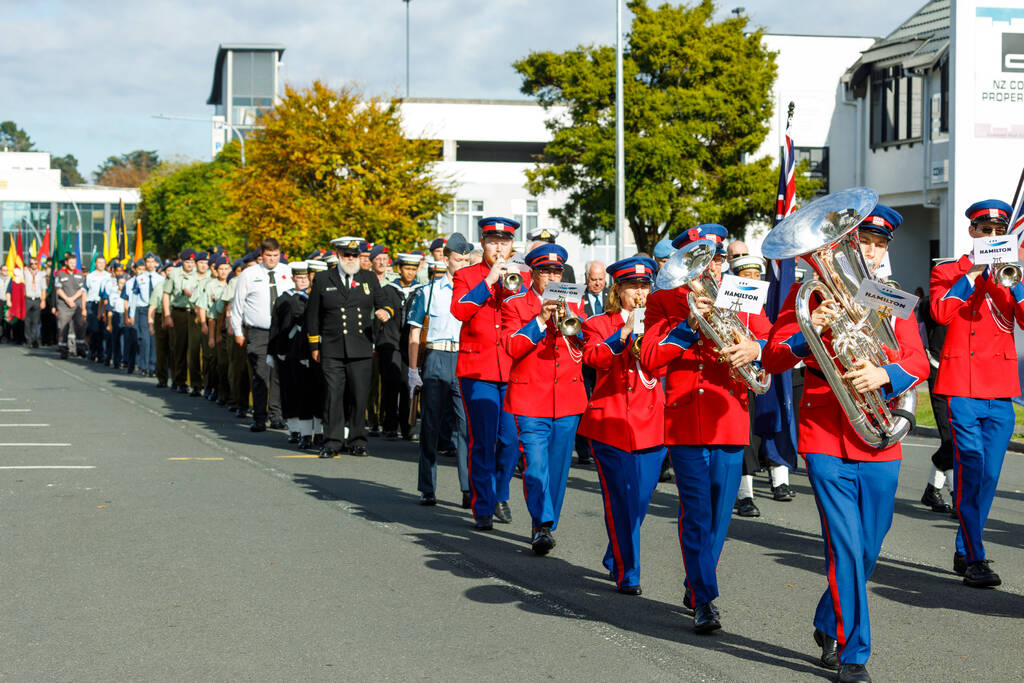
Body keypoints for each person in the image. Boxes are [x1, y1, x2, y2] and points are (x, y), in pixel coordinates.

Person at [763, 204, 927, 682]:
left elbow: (917, 360)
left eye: (879, 246)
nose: (872, 252)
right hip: (825, 435)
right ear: (845, 246)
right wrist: (810, 329)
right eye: (864, 243)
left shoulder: (891, 298)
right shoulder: (806, 294)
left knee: (870, 545)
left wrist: (886, 373)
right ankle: (854, 652)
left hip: (878, 435)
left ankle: (826, 618)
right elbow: (773, 357)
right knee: (846, 547)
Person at [639, 223, 770, 635]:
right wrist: (691, 323)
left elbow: (769, 339)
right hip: (685, 419)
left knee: (718, 515)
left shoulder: (741, 291)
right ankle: (705, 598)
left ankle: (697, 582)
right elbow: (650, 358)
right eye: (698, 258)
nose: (709, 266)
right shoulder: (663, 299)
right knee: (695, 514)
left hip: (729, 417)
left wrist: (756, 347)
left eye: (715, 258)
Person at [930, 198, 1022, 589]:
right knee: (970, 471)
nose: (992, 236)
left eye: (999, 231)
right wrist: (974, 271)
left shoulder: (1011, 275)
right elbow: (941, 312)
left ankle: (966, 546)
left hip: (1000, 388)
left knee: (989, 476)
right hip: (963, 386)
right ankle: (975, 557)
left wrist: (1014, 281)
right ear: (972, 233)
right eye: (985, 231)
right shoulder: (950, 271)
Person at [579, 256, 665, 594]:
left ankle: (617, 551)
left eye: (645, 286)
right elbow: (593, 358)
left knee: (641, 500)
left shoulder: (661, 325)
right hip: (610, 424)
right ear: (619, 290)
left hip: (651, 424)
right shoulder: (599, 323)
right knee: (622, 501)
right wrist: (625, 333)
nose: (640, 294)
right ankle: (629, 572)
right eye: (633, 287)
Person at [501, 243, 587, 554]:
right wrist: (539, 319)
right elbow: (512, 347)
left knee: (559, 469)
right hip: (530, 400)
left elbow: (584, 346)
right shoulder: (514, 304)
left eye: (556, 271)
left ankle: (546, 524)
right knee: (536, 468)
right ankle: (542, 523)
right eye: (545, 271)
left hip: (567, 399)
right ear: (533, 274)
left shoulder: (575, 303)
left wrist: (573, 322)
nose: (552, 276)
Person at [451, 217, 524, 530]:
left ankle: (500, 494)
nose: (499, 247)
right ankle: (483, 504)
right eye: (493, 242)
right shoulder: (467, 276)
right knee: (482, 440)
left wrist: (514, 284)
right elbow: (460, 310)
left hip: (512, 369)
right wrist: (489, 282)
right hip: (477, 370)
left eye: (504, 242)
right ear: (482, 243)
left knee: (510, 440)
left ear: (511, 246)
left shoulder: (522, 278)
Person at [306, 237, 392, 456]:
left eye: (355, 255)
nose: (351, 259)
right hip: (332, 348)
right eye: (347, 255)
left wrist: (386, 312)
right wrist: (314, 345)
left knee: (359, 395)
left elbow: (384, 302)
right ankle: (333, 441)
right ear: (338, 256)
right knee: (333, 396)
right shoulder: (324, 278)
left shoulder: (369, 278)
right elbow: (313, 315)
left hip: (361, 347)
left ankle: (357, 440)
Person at [409, 233, 473, 508]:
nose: (463, 265)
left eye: (467, 260)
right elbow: (414, 332)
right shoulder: (429, 291)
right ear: (446, 259)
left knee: (465, 427)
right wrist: (413, 370)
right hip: (436, 356)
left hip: (463, 358)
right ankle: (427, 487)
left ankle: (469, 489)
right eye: (459, 260)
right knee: (431, 426)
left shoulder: (473, 291)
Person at [232, 239, 294, 432]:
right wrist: (237, 331)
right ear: (262, 254)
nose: (272, 259)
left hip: (281, 332)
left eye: (276, 255)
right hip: (258, 331)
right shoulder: (249, 274)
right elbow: (237, 305)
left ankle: (276, 415)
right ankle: (259, 417)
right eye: (268, 255)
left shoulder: (287, 272)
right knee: (260, 375)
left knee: (279, 375)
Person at [269, 261, 323, 449]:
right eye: (299, 277)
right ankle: (296, 429)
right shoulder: (287, 299)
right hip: (292, 352)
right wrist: (274, 351)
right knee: (293, 392)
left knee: (316, 393)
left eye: (305, 277)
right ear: (293, 278)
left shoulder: (316, 298)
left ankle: (317, 432)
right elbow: (278, 327)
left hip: (314, 351)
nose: (303, 281)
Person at [916, 274, 955, 514]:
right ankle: (956, 494)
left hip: (960, 377)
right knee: (950, 437)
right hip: (938, 371)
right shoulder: (932, 303)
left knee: (954, 439)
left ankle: (932, 490)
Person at [377, 252, 421, 440]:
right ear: (399, 269)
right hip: (391, 342)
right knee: (391, 384)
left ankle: (407, 427)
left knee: (407, 385)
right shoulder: (388, 289)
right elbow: (384, 308)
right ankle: (389, 425)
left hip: (408, 344)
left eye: (413, 269)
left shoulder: (420, 290)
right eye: (407, 269)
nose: (410, 273)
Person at [576, 260, 608, 467]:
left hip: (606, 357)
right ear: (586, 278)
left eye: (601, 279)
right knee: (583, 403)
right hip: (584, 357)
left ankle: (602, 443)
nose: (597, 283)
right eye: (593, 279)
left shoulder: (612, 297)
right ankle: (583, 450)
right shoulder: (578, 296)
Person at [162, 249, 198, 393]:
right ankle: (179, 379)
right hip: (179, 312)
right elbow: (166, 294)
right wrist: (167, 316)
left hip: (195, 313)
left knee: (194, 349)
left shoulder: (200, 274)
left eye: (192, 262)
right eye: (187, 262)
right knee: (179, 347)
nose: (190, 265)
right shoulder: (174, 274)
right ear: (182, 261)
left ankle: (196, 383)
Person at [188, 251, 213, 397]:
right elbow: (190, 295)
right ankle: (196, 384)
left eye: (206, 263)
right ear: (196, 264)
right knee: (194, 350)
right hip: (194, 315)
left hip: (209, 317)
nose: (204, 266)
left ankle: (209, 383)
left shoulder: (211, 278)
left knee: (209, 354)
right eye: (201, 263)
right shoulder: (190, 277)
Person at [53, 252, 87, 359]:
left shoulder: (80, 274)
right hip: (64, 306)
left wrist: (82, 306)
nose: (72, 264)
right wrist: (67, 299)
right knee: (63, 327)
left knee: (80, 326)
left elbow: (83, 290)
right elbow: (58, 290)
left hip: (77, 305)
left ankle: (80, 349)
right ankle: (64, 349)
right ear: (67, 262)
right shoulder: (60, 274)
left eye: (74, 263)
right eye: (70, 262)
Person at [84, 255, 112, 362]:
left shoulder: (109, 276)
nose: (101, 265)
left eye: (103, 263)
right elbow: (84, 291)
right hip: (92, 304)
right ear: (95, 263)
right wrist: (83, 307)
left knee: (102, 330)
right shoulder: (90, 276)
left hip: (104, 305)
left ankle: (101, 353)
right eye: (99, 262)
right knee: (93, 329)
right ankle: (92, 351)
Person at [22, 256, 47, 348]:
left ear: (38, 264)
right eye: (31, 263)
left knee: (35, 321)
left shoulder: (41, 274)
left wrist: (43, 300)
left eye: (35, 263)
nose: (33, 265)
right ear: (29, 264)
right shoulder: (25, 273)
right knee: (27, 321)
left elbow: (44, 288)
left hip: (37, 299)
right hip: (27, 299)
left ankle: (34, 339)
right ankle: (28, 340)